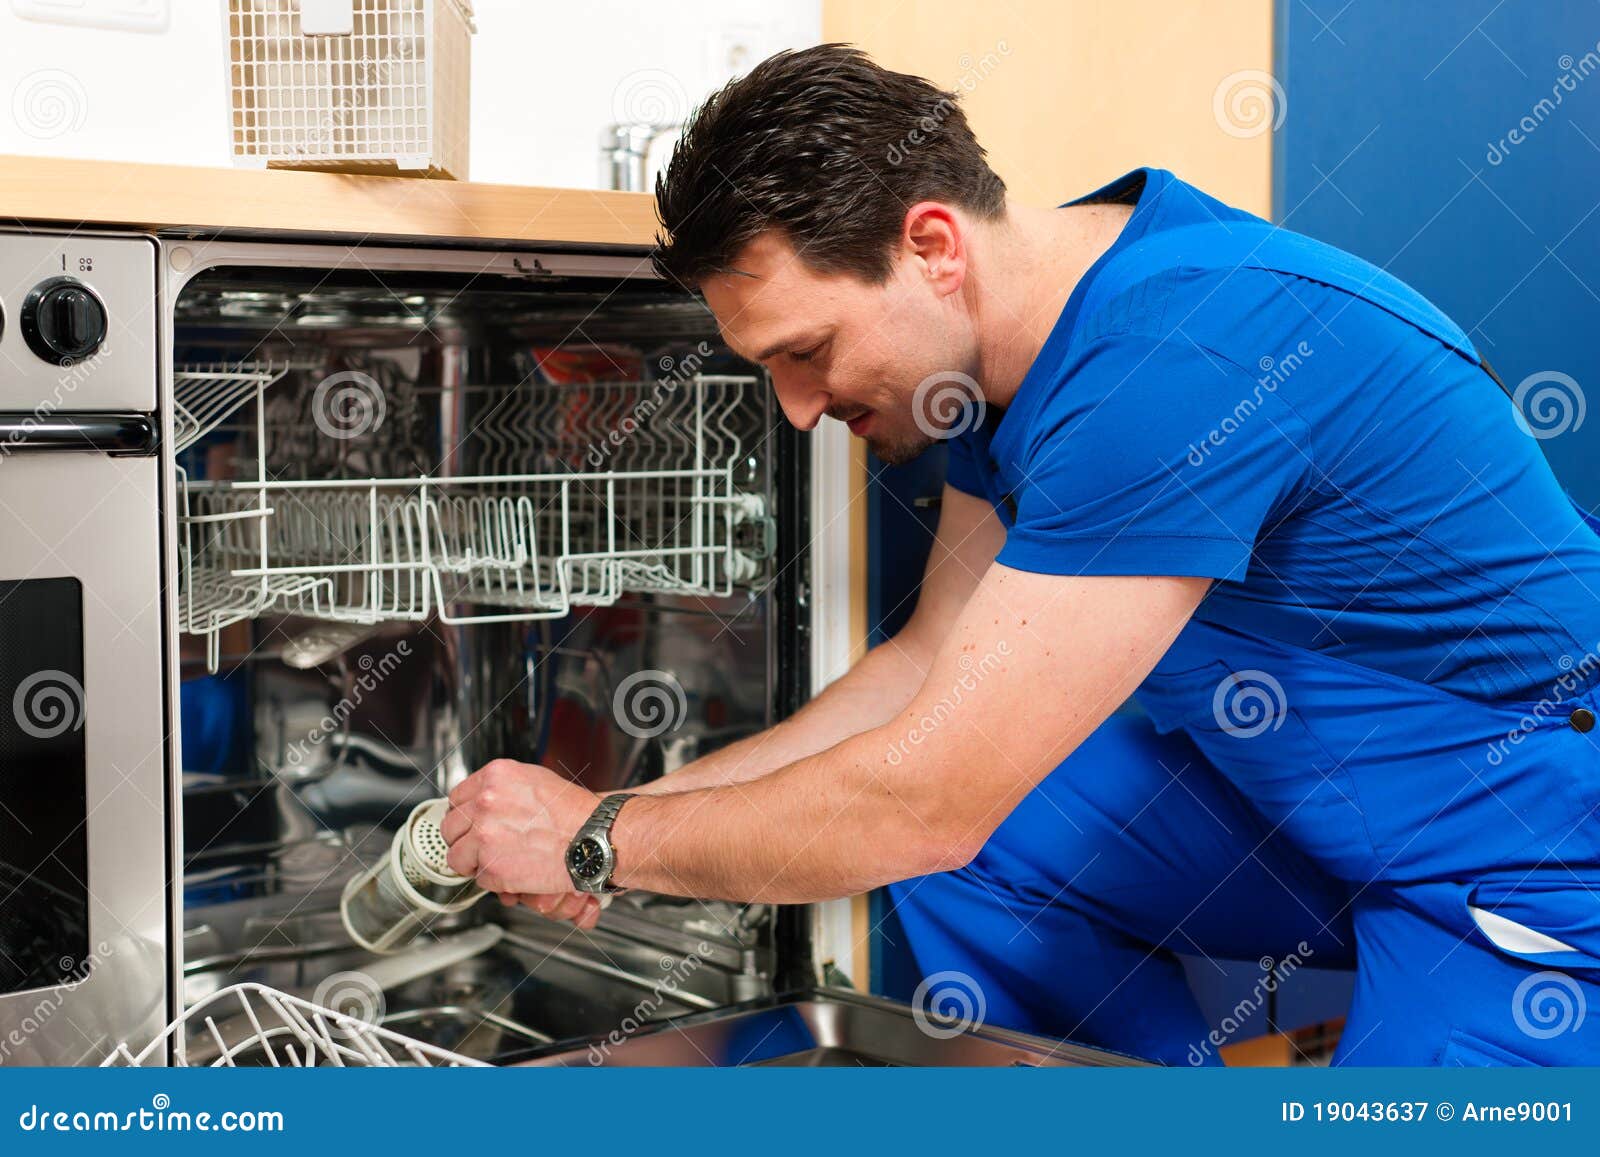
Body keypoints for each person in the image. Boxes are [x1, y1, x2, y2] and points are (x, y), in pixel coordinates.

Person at [441, 44, 1600, 1065]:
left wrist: (597, 845)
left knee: (938, 821)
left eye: (807, 350)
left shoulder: (1169, 357)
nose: (795, 408)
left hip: (1528, 838)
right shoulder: (1006, 358)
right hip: (1308, 792)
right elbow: (923, 669)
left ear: (931, 245)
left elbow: (927, 798)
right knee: (983, 849)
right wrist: (619, 808)